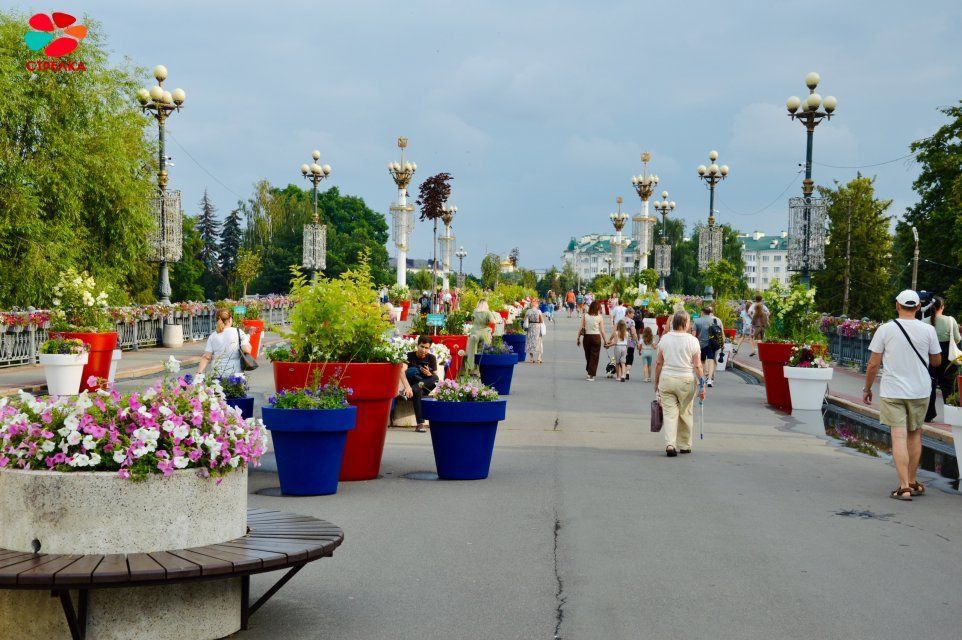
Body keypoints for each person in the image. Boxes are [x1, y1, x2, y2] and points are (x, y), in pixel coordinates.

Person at [863, 290, 941, 500]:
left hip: (893, 391)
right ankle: (913, 481)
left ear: (897, 305)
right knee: (915, 434)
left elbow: (873, 364)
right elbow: (936, 362)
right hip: (920, 390)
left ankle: (904, 486)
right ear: (917, 308)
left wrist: (867, 389)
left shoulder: (885, 329)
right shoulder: (928, 330)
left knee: (898, 436)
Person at [654, 311, 706, 456]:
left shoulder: (664, 339)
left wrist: (656, 381)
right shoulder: (693, 341)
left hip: (667, 379)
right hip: (686, 380)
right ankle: (684, 444)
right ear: (686, 323)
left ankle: (670, 444)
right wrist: (702, 383)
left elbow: (659, 362)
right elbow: (697, 366)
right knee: (685, 411)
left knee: (670, 413)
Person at [925, 296, 961, 421]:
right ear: (942, 307)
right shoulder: (950, 321)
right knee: (948, 386)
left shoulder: (924, 321)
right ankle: (952, 417)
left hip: (930, 357)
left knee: (930, 385)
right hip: (947, 357)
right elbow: (957, 339)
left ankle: (928, 414)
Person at [197, 309, 253, 376]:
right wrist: (248, 341)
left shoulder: (213, 336)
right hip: (235, 372)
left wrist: (198, 373)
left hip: (217, 372)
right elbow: (247, 350)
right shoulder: (238, 332)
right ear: (230, 319)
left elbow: (206, 357)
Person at [405, 335, 440, 432]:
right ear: (417, 345)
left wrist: (429, 374)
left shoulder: (431, 358)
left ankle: (415, 388)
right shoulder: (409, 355)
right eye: (422, 346)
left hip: (425, 385)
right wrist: (408, 387)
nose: (424, 350)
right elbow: (403, 373)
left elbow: (435, 378)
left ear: (429, 348)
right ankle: (420, 424)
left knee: (435, 378)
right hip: (412, 387)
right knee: (412, 373)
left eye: (426, 348)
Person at [464, 300, 500, 377]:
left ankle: (470, 369)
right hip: (484, 333)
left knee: (472, 351)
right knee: (485, 351)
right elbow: (493, 322)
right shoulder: (488, 312)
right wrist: (498, 320)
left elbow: (473, 321)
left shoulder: (475, 311)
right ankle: (482, 369)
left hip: (474, 332)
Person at [693, 305, 724, 387]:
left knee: (702, 362)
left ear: (702, 312)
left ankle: (701, 379)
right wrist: (722, 343)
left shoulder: (697, 321)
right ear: (710, 313)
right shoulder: (715, 320)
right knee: (711, 361)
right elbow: (719, 333)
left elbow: (693, 335)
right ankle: (710, 379)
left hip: (701, 344)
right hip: (712, 344)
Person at [577, 299, 607, 381]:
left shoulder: (585, 316)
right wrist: (605, 340)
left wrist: (578, 338)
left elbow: (581, 328)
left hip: (587, 337)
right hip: (596, 337)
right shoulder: (600, 317)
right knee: (594, 356)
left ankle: (590, 373)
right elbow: (602, 331)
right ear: (598, 308)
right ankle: (590, 374)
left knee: (588, 355)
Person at [524, 298, 545, 364]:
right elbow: (541, 321)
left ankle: (531, 358)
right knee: (539, 342)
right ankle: (539, 358)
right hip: (537, 327)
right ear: (536, 305)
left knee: (530, 342)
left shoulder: (528, 311)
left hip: (530, 327)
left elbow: (525, 319)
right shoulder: (539, 311)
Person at [624, 307, 639, 381]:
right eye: (632, 313)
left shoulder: (620, 320)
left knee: (623, 357)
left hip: (621, 342)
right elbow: (633, 333)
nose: (633, 315)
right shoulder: (631, 321)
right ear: (628, 313)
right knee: (630, 356)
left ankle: (621, 372)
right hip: (630, 341)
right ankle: (627, 371)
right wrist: (637, 342)